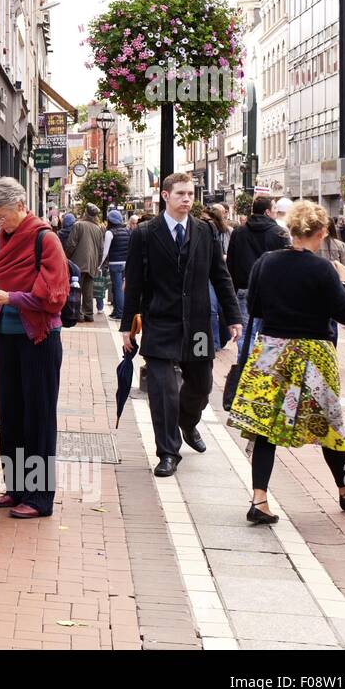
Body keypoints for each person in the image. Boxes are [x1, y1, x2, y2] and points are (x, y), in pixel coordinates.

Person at [228, 201, 345, 524]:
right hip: (313, 355)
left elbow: (256, 307)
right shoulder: (322, 269)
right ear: (319, 233)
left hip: (272, 351)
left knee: (265, 426)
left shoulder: (266, 263)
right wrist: (344, 280)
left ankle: (259, 499)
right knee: (328, 426)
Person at [120, 173, 241, 477]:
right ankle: (167, 452)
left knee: (202, 384)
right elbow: (133, 282)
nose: (187, 199)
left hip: (198, 325)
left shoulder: (204, 231)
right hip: (160, 322)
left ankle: (187, 422)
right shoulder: (145, 234)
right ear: (165, 195)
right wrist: (127, 327)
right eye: (181, 194)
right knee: (162, 390)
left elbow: (221, 276)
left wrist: (234, 317)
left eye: (190, 194)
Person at [0, 177, 69, 518]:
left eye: (1, 215)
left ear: (20, 205)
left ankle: (40, 497)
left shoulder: (46, 239)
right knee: (11, 414)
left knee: (39, 416)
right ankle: (16, 488)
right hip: (9, 335)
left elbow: (53, 296)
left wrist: (9, 296)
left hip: (39, 337)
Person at [226, 196, 290, 328]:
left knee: (245, 332)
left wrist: (234, 288)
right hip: (272, 289)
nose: (276, 212)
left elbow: (230, 263)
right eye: (275, 209)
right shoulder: (279, 233)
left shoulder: (238, 232)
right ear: (267, 211)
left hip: (245, 287)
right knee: (269, 332)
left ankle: (246, 350)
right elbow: (287, 264)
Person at [65, 203, 104, 322]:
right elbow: (101, 249)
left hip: (78, 263)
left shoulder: (78, 225)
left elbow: (71, 244)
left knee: (77, 289)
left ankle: (79, 314)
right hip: (92, 263)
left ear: (85, 213)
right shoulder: (98, 229)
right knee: (88, 290)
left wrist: (66, 257)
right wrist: (97, 264)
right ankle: (89, 313)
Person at [316, 217, 345, 329]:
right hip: (334, 289)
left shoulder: (310, 246)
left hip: (314, 292)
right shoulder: (340, 245)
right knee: (331, 327)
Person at [203, 205, 231, 350]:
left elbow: (229, 253)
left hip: (221, 274)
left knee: (220, 309)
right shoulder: (201, 233)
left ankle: (222, 337)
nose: (205, 222)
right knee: (212, 308)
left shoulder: (226, 232)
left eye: (207, 219)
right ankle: (214, 343)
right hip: (206, 275)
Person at [102, 209, 131, 320]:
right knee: (121, 288)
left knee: (117, 288)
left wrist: (100, 264)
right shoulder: (127, 231)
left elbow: (105, 251)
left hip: (115, 263)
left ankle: (119, 313)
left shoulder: (110, 232)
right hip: (126, 263)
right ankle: (116, 311)